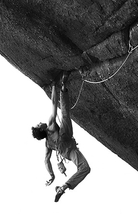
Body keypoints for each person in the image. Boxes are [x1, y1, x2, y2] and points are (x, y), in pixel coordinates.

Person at [31, 72, 91, 202]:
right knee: (64, 115)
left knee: (85, 168)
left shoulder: (47, 145)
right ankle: (63, 86)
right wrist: (54, 85)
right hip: (65, 138)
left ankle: (64, 187)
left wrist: (52, 175)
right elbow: (53, 103)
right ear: (41, 128)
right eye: (38, 124)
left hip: (66, 151)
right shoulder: (50, 126)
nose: (40, 122)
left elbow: (46, 161)